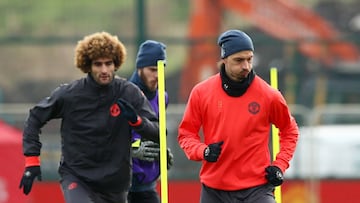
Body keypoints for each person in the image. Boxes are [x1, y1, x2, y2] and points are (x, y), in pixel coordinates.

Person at [18, 31, 160, 203]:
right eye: (98, 64)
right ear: (87, 65)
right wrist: (32, 160)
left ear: (116, 64)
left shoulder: (128, 93)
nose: (104, 70)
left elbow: (157, 132)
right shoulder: (70, 94)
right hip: (78, 178)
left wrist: (137, 122)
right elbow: (35, 117)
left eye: (108, 63)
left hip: (115, 184)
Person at [177, 29, 299, 203]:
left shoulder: (269, 95)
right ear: (224, 59)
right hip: (214, 190)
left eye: (249, 59)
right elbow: (186, 134)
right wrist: (203, 151)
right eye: (239, 60)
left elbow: (290, 131)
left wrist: (279, 165)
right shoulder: (201, 93)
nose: (246, 66)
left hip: (257, 189)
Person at [127, 40, 174, 203]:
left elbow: (154, 130)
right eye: (152, 70)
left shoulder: (163, 97)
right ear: (139, 68)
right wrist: (130, 150)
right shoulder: (122, 94)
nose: (156, 76)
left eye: (160, 70)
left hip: (147, 186)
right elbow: (106, 137)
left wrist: (161, 151)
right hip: (120, 185)